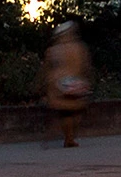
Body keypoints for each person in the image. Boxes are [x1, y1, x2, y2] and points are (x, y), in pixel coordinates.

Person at [40, 21, 95, 150]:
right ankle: (68, 138)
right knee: (71, 111)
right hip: (72, 82)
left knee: (67, 112)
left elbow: (47, 69)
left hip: (58, 83)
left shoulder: (53, 50)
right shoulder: (79, 48)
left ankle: (67, 137)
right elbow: (85, 66)